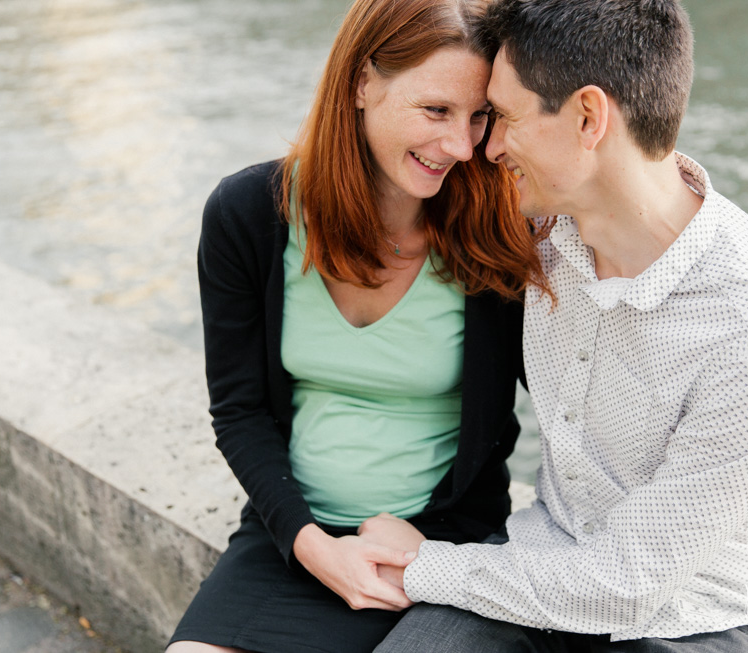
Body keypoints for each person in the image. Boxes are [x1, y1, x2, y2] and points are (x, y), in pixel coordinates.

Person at [361, 0, 748, 651]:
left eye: (503, 117)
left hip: (695, 616)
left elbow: (625, 582)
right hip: (539, 561)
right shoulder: (539, 227)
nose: (489, 145)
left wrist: (425, 565)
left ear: (588, 116)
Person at [166, 0, 550, 651]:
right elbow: (238, 411)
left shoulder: (498, 231)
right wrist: (312, 546)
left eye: (479, 116)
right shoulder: (246, 216)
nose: (461, 147)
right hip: (290, 537)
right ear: (360, 83)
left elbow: (573, 402)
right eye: (436, 111)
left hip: (442, 545)